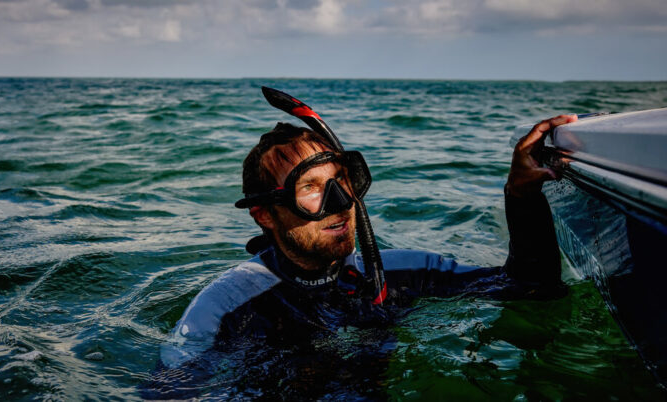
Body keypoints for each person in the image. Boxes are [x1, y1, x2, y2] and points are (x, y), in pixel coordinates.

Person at [148, 113, 578, 398]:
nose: (340, 201)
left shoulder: (398, 273)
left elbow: (531, 287)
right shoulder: (227, 307)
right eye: (310, 187)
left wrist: (521, 192)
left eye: (340, 180)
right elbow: (168, 393)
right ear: (265, 215)